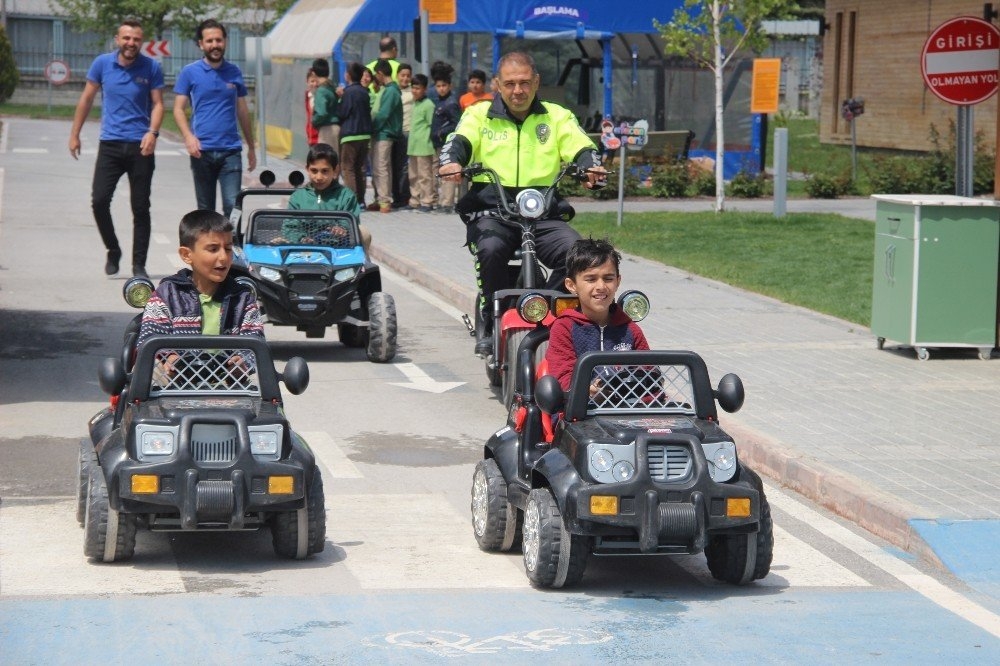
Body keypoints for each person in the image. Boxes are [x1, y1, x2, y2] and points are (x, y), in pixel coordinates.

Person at [438, 51, 606, 355]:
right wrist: (452, 162)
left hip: (544, 216)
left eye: (525, 83)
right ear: (497, 84)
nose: (518, 91)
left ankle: (545, 308)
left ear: (537, 81)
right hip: (493, 213)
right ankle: (490, 317)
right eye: (511, 83)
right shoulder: (479, 114)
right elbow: (459, 141)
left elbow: (580, 144)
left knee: (578, 255)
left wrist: (590, 165)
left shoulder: (556, 116)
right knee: (490, 250)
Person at [68, 18, 164, 278]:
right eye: (126, 38)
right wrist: (74, 134)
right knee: (99, 201)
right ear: (117, 39)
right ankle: (113, 249)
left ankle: (138, 265)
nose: (131, 43)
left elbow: (157, 104)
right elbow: (86, 98)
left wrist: (152, 133)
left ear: (141, 41)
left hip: (140, 147)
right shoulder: (102, 64)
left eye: (136, 39)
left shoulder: (151, 67)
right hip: (110, 144)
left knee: (140, 207)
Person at [138, 210, 264, 346]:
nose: (223, 257)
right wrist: (167, 358)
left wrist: (242, 359)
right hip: (177, 367)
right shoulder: (167, 294)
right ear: (186, 254)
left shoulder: (242, 299)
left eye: (228, 249)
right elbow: (148, 341)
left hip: (228, 368)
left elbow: (255, 342)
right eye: (213, 249)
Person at [173, 19, 256, 219]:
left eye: (218, 40)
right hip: (202, 151)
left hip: (230, 151)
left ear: (225, 42)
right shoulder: (190, 72)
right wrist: (188, 137)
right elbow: (177, 109)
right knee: (205, 210)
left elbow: (243, 111)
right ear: (201, 44)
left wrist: (251, 147)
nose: (215, 45)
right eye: (209, 41)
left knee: (232, 207)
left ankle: (232, 249)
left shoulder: (234, 72)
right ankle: (209, 249)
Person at [545, 238, 650, 393]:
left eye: (608, 279)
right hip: (578, 410)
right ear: (571, 285)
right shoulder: (564, 328)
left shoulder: (630, 330)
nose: (601, 287)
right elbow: (563, 381)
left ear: (618, 281)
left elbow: (649, 375)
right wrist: (593, 391)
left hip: (625, 408)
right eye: (591, 279)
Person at [280, 143, 371, 251]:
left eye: (325, 171)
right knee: (277, 243)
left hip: (338, 247)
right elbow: (290, 227)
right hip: (304, 248)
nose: (319, 177)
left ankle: (362, 263)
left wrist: (342, 229)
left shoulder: (346, 196)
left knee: (364, 232)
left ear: (335, 171)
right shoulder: (298, 197)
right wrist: (302, 239)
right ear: (307, 169)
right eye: (314, 171)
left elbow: (351, 222)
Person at [335, 62, 373, 208]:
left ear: (348, 75)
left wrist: (339, 98)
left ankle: (352, 201)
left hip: (350, 134)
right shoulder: (364, 91)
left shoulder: (348, 92)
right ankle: (361, 200)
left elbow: (343, 113)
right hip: (364, 135)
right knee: (359, 168)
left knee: (347, 168)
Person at [371, 58, 403, 214]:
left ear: (380, 73)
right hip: (383, 133)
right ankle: (381, 198)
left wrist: (373, 128)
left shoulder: (390, 91)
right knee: (382, 167)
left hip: (384, 133)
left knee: (381, 168)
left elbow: (383, 114)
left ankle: (384, 200)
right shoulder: (390, 90)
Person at [431, 64, 461, 215]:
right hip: (437, 144)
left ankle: (447, 203)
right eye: (438, 86)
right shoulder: (439, 101)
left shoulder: (451, 103)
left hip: (446, 144)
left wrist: (442, 132)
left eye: (444, 85)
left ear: (450, 86)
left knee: (447, 174)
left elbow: (457, 124)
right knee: (438, 173)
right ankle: (441, 201)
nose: (441, 88)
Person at [406, 74, 436, 213]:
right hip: (413, 145)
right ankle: (414, 200)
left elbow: (431, 125)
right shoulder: (415, 103)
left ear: (424, 89)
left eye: (418, 88)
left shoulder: (428, 105)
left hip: (424, 146)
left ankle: (427, 201)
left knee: (424, 176)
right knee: (413, 175)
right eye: (413, 88)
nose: (414, 90)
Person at [393, 62, 414, 208]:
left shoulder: (413, 92)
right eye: (403, 75)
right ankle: (396, 196)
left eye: (408, 76)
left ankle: (404, 197)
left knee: (405, 168)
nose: (405, 78)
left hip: (408, 132)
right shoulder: (393, 91)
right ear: (397, 76)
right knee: (395, 166)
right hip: (395, 133)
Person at [310, 57, 340, 152]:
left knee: (325, 159)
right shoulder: (332, 87)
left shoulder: (321, 91)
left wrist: (314, 121)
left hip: (327, 129)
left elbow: (322, 113)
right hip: (337, 127)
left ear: (314, 73)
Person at [304, 67, 319, 147]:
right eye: (312, 81)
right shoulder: (308, 95)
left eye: (317, 81)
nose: (315, 84)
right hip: (311, 137)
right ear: (307, 82)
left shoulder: (321, 96)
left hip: (319, 138)